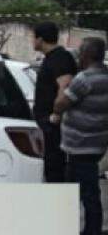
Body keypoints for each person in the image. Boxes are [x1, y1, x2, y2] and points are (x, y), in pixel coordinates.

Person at [54, 36, 108, 235]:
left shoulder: (84, 79)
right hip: (96, 145)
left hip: (80, 146)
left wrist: (63, 87)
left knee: (88, 195)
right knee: (77, 191)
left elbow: (60, 104)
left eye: (80, 52)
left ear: (86, 55)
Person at [32, 22, 78, 182]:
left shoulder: (60, 57)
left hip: (54, 126)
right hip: (48, 125)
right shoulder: (52, 58)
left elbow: (65, 86)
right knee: (51, 167)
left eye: (34, 37)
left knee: (55, 168)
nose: (33, 41)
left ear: (40, 39)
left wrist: (56, 114)